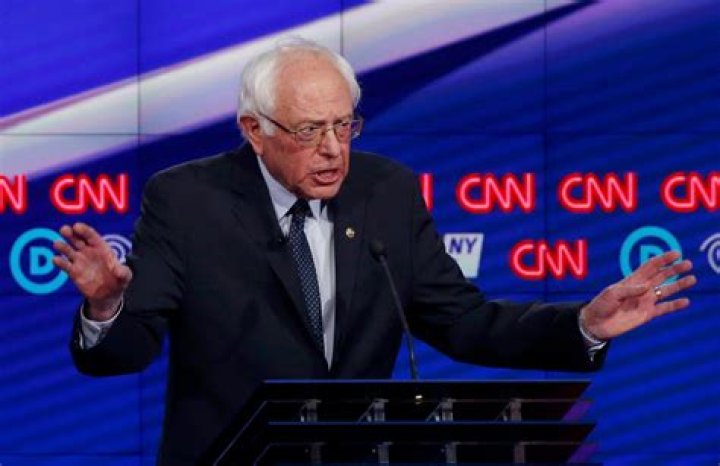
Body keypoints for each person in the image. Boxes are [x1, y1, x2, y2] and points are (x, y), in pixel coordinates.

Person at [53, 38, 696, 465]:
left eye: (344, 124)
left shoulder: (386, 191)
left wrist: (583, 324)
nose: (334, 149)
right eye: (310, 130)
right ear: (254, 130)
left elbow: (462, 321)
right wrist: (108, 307)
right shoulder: (187, 200)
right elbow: (127, 352)